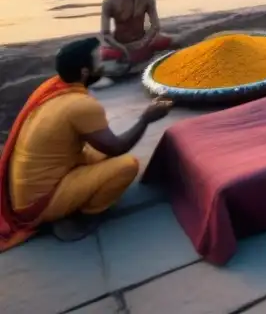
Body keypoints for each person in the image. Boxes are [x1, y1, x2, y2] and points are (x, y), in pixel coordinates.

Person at [0, 38, 173, 249]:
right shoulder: (81, 105)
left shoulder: (52, 87)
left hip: (30, 187)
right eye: (98, 60)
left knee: (99, 152)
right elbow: (117, 147)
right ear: (84, 72)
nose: (103, 64)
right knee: (127, 166)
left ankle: (70, 200)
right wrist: (146, 118)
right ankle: (84, 216)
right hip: (37, 203)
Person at [99, 0, 177, 79]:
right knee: (103, 56)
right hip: (120, 44)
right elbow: (105, 34)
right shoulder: (109, 2)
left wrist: (143, 42)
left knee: (178, 41)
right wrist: (122, 48)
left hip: (144, 40)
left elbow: (155, 26)